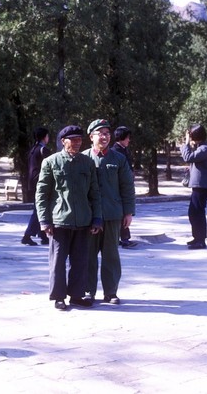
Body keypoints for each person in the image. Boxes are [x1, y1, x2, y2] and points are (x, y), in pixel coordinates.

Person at [35, 125, 102, 311]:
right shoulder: (51, 162)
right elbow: (41, 194)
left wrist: (97, 218)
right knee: (57, 261)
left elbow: (94, 193)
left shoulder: (87, 163)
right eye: (73, 140)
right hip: (59, 221)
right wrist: (44, 221)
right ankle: (58, 297)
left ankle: (77, 295)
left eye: (80, 140)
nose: (77, 143)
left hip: (83, 220)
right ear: (63, 141)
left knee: (80, 261)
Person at [82, 119, 136, 305]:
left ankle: (111, 292)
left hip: (113, 214)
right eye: (100, 133)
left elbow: (127, 186)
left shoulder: (118, 159)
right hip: (89, 216)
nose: (104, 137)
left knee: (111, 255)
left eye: (107, 133)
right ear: (91, 136)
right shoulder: (83, 158)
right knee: (88, 255)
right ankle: (88, 291)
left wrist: (128, 212)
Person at [180, 124, 207, 249]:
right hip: (200, 185)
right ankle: (197, 237)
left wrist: (186, 143)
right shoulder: (201, 147)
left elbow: (187, 157)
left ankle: (200, 240)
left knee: (197, 212)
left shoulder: (204, 149)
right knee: (194, 212)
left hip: (202, 185)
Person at [21, 127, 51, 246]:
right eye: (48, 136)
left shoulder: (33, 149)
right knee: (39, 210)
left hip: (32, 183)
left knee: (40, 208)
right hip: (40, 182)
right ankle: (27, 236)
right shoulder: (43, 150)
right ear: (44, 137)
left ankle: (43, 236)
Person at [111, 125, 137, 248]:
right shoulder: (115, 151)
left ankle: (124, 237)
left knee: (125, 212)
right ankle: (123, 238)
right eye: (127, 138)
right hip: (119, 186)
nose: (129, 140)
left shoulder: (123, 149)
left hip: (126, 184)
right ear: (122, 138)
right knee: (122, 213)